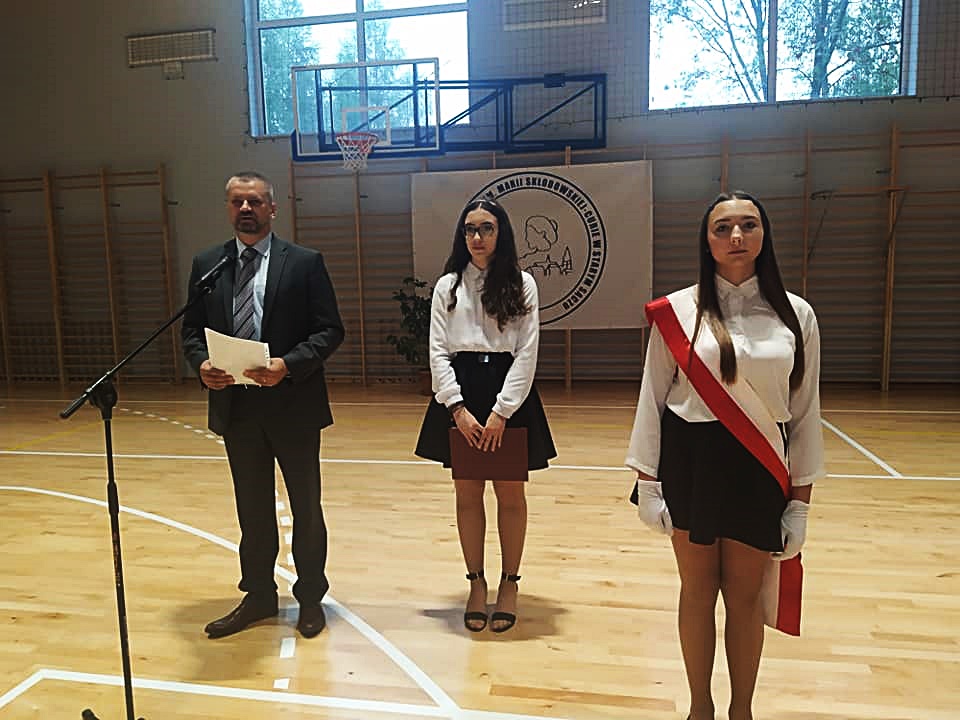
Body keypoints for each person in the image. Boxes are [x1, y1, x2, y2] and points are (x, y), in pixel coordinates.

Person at [626, 191, 824, 720]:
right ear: (707, 240)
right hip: (691, 462)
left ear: (764, 234)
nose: (736, 236)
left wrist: (801, 502)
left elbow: (805, 412)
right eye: (723, 227)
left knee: (744, 597)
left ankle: (742, 711)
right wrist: (647, 483)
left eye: (748, 225)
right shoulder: (678, 311)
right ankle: (700, 709)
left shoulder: (797, 315)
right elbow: (652, 397)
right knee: (696, 592)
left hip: (759, 466)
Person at [182, 171, 344, 639]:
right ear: (227, 208)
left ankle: (310, 597)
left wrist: (288, 365)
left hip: (293, 404)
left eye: (254, 201)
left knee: (306, 508)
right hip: (237, 407)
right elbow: (191, 329)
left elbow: (330, 330)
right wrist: (201, 364)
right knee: (251, 510)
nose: (246, 209)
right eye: (237, 202)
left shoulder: (305, 263)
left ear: (273, 208)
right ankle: (258, 595)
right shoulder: (209, 264)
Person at [415, 198, 556, 634]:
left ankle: (509, 583)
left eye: (487, 228)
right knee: (467, 494)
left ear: (501, 233)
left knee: (510, 497)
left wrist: (501, 412)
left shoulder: (522, 284)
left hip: (507, 394)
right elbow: (438, 351)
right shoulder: (447, 286)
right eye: (470, 229)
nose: (477, 237)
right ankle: (476, 583)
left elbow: (527, 352)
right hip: (461, 394)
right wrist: (456, 408)